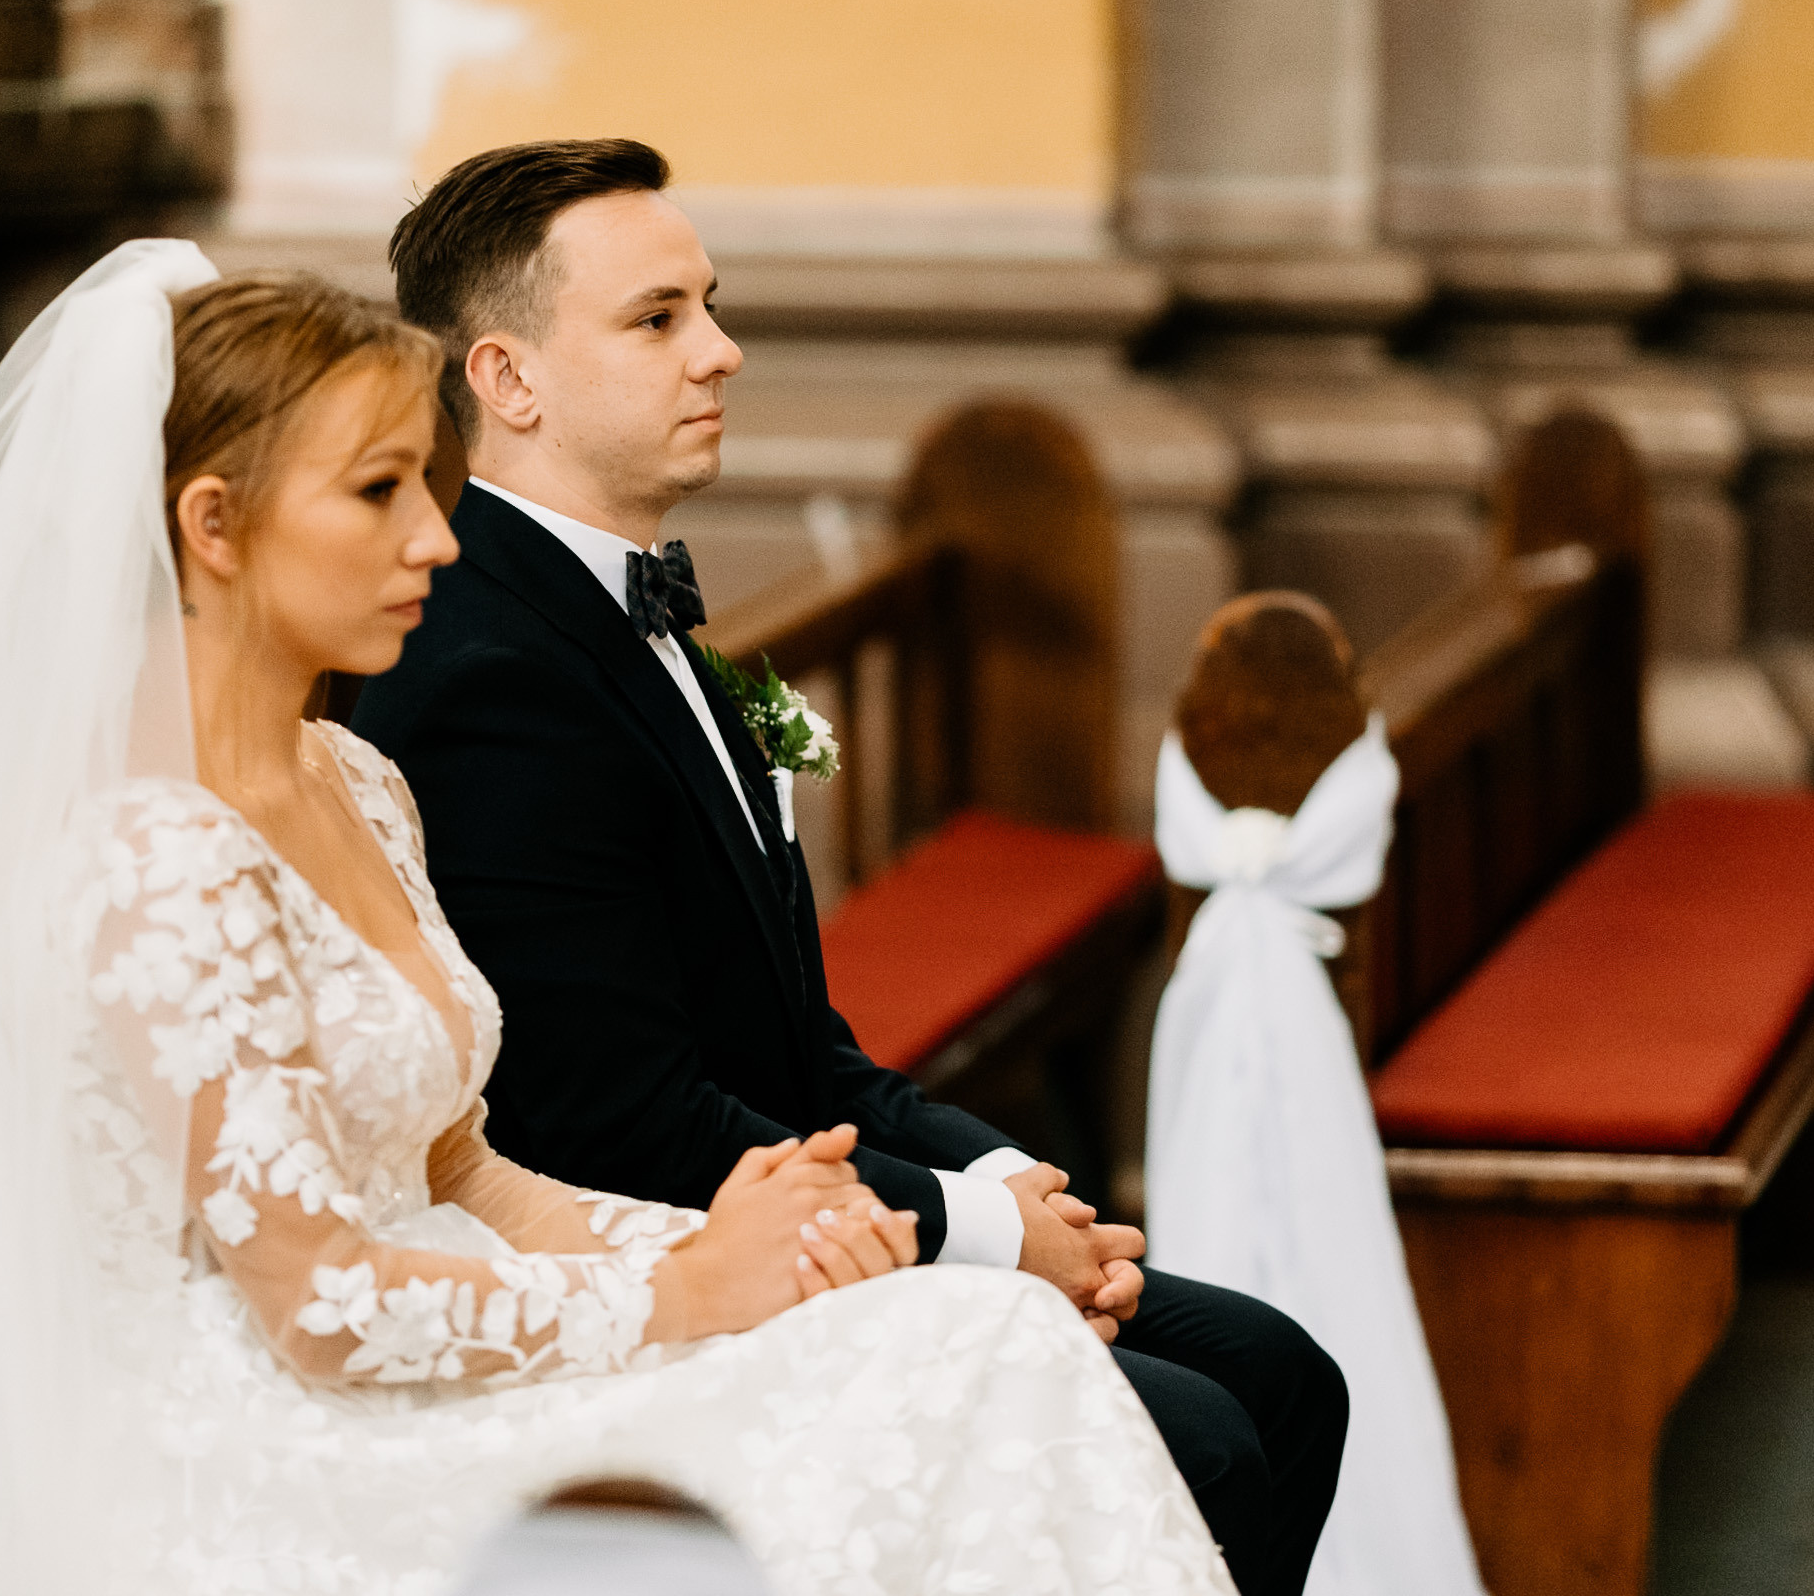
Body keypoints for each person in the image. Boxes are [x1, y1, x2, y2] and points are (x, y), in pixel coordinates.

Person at [0, 243, 1235, 1596]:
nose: (439, 543)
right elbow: (315, 1300)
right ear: (214, 525)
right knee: (958, 1384)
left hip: (435, 1338)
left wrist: (779, 1239)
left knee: (981, 1337)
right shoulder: (147, 853)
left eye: (430, 490)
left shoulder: (362, 782)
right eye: (378, 492)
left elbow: (465, 1172)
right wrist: (684, 1289)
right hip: (257, 1434)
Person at [353, 138, 1348, 1596]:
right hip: (654, 1253)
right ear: (509, 381)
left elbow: (795, 1041)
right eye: (658, 320)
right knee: (1201, 1435)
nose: (722, 351)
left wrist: (1015, 1181)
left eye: (709, 304)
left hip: (793, 1187)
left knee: (1281, 1373)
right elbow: (612, 1123)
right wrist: (988, 1240)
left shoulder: (647, 625)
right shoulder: (485, 669)